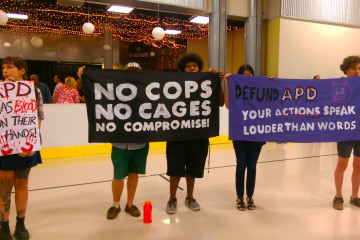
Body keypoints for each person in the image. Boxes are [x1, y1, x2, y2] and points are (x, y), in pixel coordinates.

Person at [165, 53, 224, 214]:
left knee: (193, 169)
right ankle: (172, 198)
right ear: (183, 69)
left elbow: (220, 103)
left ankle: (189, 197)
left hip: (199, 135)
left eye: (194, 66)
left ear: (199, 67)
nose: (192, 68)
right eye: (188, 66)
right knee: (174, 169)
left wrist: (216, 81)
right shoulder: (173, 84)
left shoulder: (206, 83)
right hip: (177, 135)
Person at [96, 62, 150, 219]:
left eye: (136, 72)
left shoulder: (146, 92)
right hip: (119, 142)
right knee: (118, 175)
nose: (133, 75)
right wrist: (83, 76)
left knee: (134, 173)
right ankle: (115, 204)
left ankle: (130, 204)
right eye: (129, 72)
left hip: (140, 142)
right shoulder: (114, 92)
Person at [0, 56, 44, 240]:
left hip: (26, 145)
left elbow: (38, 119)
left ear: (22, 71)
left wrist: (29, 141)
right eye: (3, 68)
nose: (5, 71)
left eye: (10, 67)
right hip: (4, 145)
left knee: (22, 183)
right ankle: (3, 225)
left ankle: (20, 222)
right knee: (4, 184)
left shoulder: (34, 91)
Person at [224, 64, 265, 211]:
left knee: (252, 167)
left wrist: (273, 84)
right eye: (244, 75)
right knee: (241, 165)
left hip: (256, 133)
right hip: (240, 134)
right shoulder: (236, 90)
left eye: (250, 75)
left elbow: (270, 100)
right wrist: (228, 83)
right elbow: (228, 105)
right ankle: (239, 197)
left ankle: (250, 197)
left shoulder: (260, 89)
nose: (247, 77)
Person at [333, 55, 360, 210]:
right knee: (342, 164)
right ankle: (338, 196)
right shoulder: (339, 85)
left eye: (359, 68)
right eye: (354, 68)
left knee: (358, 165)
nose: (357, 71)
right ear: (346, 69)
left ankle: (355, 196)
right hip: (345, 131)